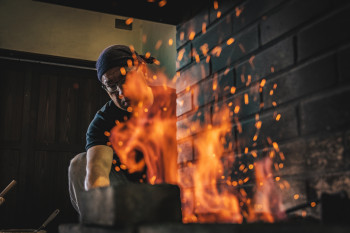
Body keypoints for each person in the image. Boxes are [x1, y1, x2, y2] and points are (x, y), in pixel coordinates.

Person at [68, 45, 155, 214]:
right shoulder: (103, 121)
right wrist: (100, 208)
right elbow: (97, 171)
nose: (121, 92)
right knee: (79, 164)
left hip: (172, 184)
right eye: (111, 86)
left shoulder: (176, 100)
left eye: (125, 78)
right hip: (127, 193)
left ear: (142, 71)